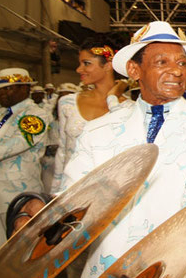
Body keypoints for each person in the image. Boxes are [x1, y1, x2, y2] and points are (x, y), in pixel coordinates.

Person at [11, 21, 186, 278]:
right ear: (134, 69)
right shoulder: (98, 131)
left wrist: (151, 265)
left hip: (179, 268)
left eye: (182, 62)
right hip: (107, 267)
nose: (176, 71)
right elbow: (75, 200)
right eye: (162, 62)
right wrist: (40, 213)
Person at [50, 36, 128, 194]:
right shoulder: (67, 103)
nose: (79, 69)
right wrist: (54, 194)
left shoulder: (128, 108)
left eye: (86, 64)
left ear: (108, 65)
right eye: (80, 63)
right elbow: (63, 152)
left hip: (111, 193)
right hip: (71, 190)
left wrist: (113, 97)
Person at [0, 68, 52, 245]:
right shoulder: (1, 113)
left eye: (8, 88)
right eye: (1, 89)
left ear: (25, 88)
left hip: (17, 193)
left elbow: (14, 145)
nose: (2, 93)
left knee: (21, 247)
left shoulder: (36, 114)